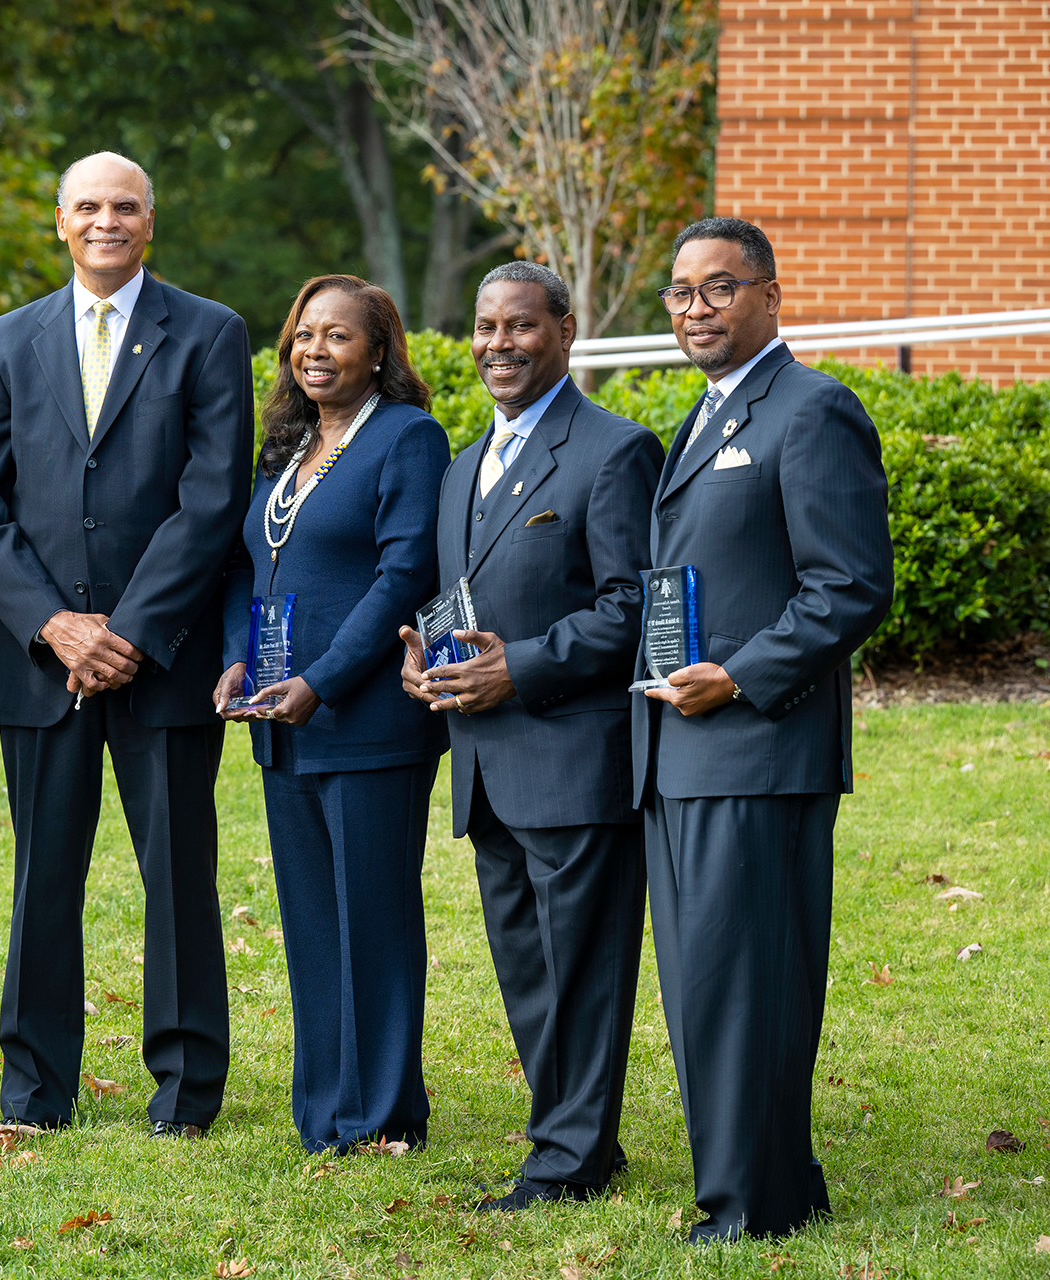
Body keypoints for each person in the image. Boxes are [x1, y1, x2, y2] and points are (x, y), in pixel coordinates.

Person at [0, 151, 253, 1138]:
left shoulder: (209, 334)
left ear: (150, 222)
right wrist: (55, 624)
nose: (106, 221)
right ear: (59, 221)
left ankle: (185, 1091)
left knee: (176, 874)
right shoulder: (6, 342)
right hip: (43, 664)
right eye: (88, 206)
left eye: (126, 206)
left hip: (161, 657)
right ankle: (36, 1089)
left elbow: (211, 500)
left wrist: (125, 631)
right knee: (44, 877)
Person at [633, 218, 893, 1242]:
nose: (697, 307)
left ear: (771, 295)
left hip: (754, 746)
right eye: (682, 291)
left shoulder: (813, 409)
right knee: (713, 984)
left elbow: (850, 588)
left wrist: (739, 675)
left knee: (743, 985)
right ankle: (776, 1179)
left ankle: (746, 1205)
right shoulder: (700, 416)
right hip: (680, 752)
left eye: (719, 287)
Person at [401, 262, 662, 1206]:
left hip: (573, 754)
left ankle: (566, 1158)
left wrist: (523, 663)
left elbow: (633, 606)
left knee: (581, 967)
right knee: (527, 966)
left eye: (519, 326)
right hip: (484, 759)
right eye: (484, 327)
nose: (497, 345)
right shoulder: (465, 464)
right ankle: (580, 1133)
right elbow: (456, 600)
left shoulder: (615, 450)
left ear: (564, 329)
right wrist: (424, 657)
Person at [211, 275, 450, 1153]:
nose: (316, 350)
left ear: (378, 350)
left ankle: (383, 1114)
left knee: (374, 919)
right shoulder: (284, 450)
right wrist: (240, 655)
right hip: (280, 720)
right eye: (304, 335)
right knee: (313, 920)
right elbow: (244, 566)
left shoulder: (407, 439)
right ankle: (325, 1113)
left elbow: (405, 575)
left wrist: (321, 681)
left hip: (367, 720)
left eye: (339, 337)